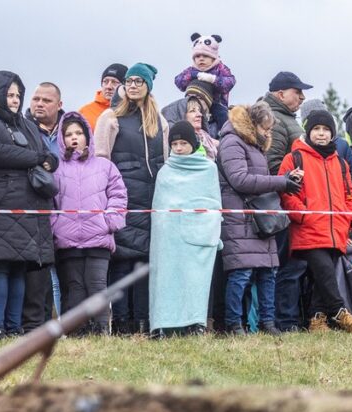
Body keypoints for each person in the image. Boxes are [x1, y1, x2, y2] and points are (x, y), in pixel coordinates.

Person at [0, 70, 56, 339]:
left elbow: (46, 155)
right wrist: (36, 157)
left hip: (29, 205)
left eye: (18, 95)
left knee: (20, 267)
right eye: (9, 94)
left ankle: (13, 326)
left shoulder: (27, 124)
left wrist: (49, 160)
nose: (15, 100)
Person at [279, 109, 352, 333]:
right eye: (316, 129)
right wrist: (303, 215)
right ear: (308, 132)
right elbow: (287, 194)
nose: (321, 134)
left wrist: (349, 220)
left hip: (335, 230)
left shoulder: (340, 163)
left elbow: (349, 195)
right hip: (308, 229)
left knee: (323, 275)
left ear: (332, 134)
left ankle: (316, 320)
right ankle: (340, 314)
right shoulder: (294, 158)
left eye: (326, 130)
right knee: (326, 272)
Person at [94, 62, 168, 335]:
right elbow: (100, 161)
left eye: (139, 80)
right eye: (130, 80)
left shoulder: (160, 122)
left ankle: (143, 321)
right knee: (123, 263)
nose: (134, 85)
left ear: (148, 85)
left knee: (145, 263)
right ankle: (122, 323)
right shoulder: (110, 118)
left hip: (152, 203)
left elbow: (166, 162)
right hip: (121, 201)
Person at [217, 102, 300, 335]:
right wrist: (280, 182)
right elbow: (240, 180)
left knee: (268, 271)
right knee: (242, 273)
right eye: (266, 128)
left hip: (260, 217)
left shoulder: (253, 145)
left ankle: (268, 323)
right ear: (253, 124)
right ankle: (234, 324)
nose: (268, 133)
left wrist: (282, 180)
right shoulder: (232, 141)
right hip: (240, 217)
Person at [51, 111, 126, 335]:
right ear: (62, 139)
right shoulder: (57, 169)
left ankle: (101, 331)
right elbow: (50, 202)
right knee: (73, 288)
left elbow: (118, 195)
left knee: (97, 287)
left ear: (88, 136)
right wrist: (55, 226)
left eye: (79, 133)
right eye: (68, 134)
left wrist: (110, 221)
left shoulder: (105, 166)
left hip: (98, 239)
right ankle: (75, 333)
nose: (74, 138)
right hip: (67, 241)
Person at [149, 120, 222, 336]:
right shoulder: (165, 172)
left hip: (198, 234)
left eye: (183, 143)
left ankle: (195, 322)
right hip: (168, 238)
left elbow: (212, 203)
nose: (179, 148)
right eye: (175, 143)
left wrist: (209, 229)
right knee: (166, 278)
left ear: (193, 143)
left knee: (196, 279)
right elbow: (160, 209)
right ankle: (164, 323)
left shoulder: (209, 169)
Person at [262, 71, 312, 332]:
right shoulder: (275, 121)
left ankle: (291, 320)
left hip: (293, 203)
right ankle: (284, 320)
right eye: (297, 91)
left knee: (294, 266)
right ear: (281, 94)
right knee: (286, 266)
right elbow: (273, 166)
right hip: (281, 205)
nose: (302, 96)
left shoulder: (287, 119)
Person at [23, 80, 65, 330]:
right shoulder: (24, 129)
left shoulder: (71, 129)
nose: (39, 103)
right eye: (36, 99)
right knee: (40, 273)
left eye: (46, 100)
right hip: (37, 209)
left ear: (59, 105)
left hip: (70, 210)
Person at [299, 99, 352, 196]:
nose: (321, 133)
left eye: (325, 128)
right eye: (316, 127)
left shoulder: (342, 146)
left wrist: (348, 195)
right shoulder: (299, 150)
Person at [174, 33, 234, 126]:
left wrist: (213, 79)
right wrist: (193, 75)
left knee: (222, 116)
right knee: (182, 114)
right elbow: (178, 81)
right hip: (193, 102)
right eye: (198, 56)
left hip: (217, 103)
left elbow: (230, 82)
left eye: (205, 56)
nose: (201, 59)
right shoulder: (191, 70)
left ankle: (223, 134)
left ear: (213, 58)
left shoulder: (220, 68)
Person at [79, 63, 127, 132]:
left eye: (114, 82)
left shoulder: (131, 112)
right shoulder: (84, 112)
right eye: (105, 81)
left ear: (124, 86)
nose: (108, 87)